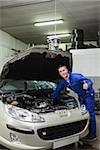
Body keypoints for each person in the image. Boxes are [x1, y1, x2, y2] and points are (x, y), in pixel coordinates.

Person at [51, 64, 96, 141]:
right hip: (81, 96)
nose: (62, 72)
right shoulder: (63, 82)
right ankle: (84, 131)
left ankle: (93, 135)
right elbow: (57, 91)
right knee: (83, 113)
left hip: (88, 95)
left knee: (90, 114)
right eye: (60, 71)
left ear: (67, 70)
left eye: (63, 70)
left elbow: (88, 81)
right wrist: (51, 99)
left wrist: (87, 84)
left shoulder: (76, 76)